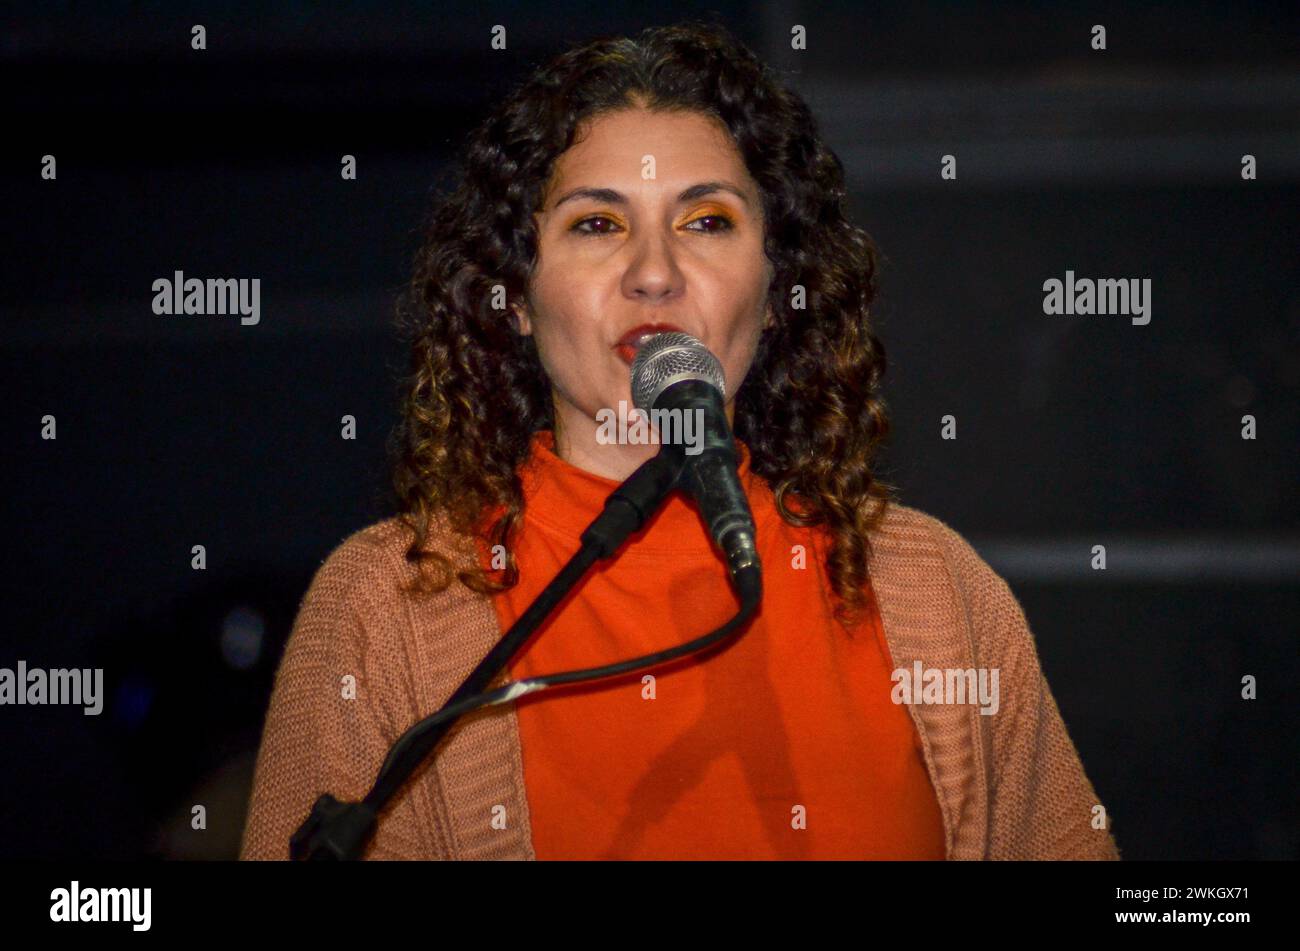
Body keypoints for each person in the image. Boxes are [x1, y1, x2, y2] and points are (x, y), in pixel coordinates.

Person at [240, 20, 1120, 860]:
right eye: (597, 224)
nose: (654, 272)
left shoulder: (936, 593)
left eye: (706, 221)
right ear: (512, 294)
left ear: (779, 292)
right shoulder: (388, 606)